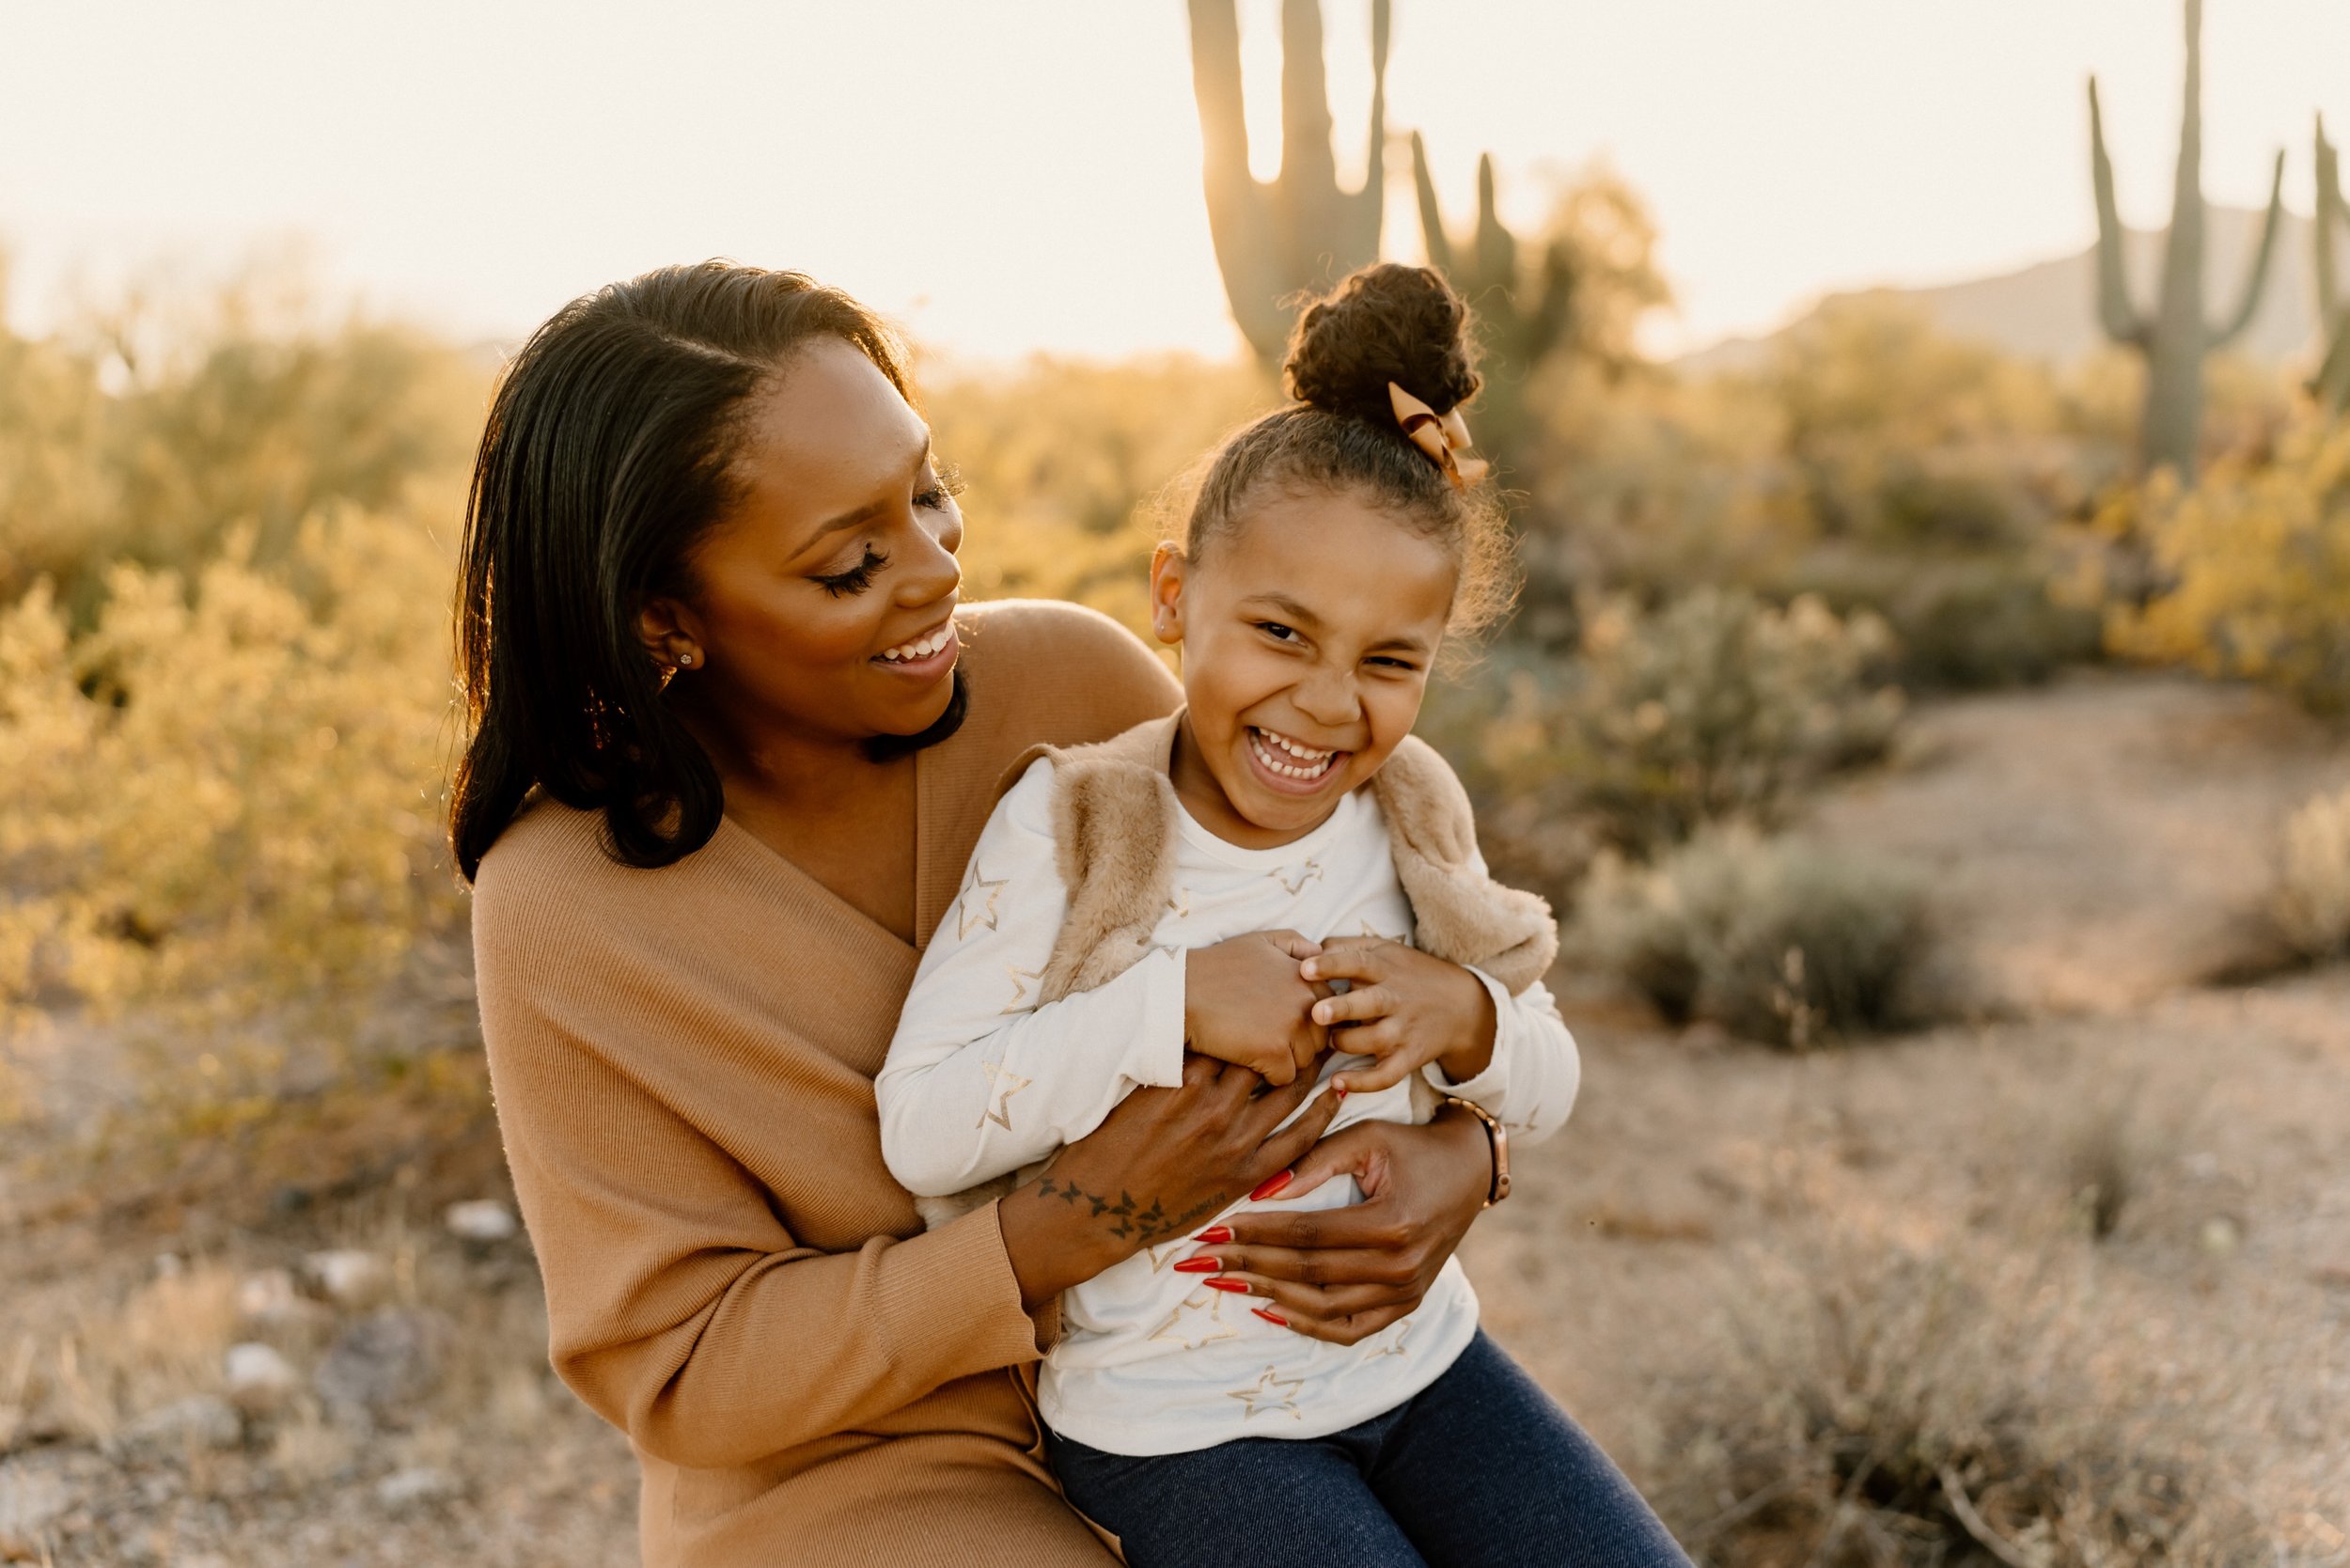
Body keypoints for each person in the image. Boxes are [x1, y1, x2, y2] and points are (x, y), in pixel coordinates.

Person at [453, 261, 1516, 1568]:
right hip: (862, 1482)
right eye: (853, 564)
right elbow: (686, 1367)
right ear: (665, 616)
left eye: (930, 495)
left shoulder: (1075, 682)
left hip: (1231, 1382)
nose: (937, 567)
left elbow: (1374, 929)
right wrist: (1053, 1237)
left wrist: (1466, 1155)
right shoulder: (567, 904)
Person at [874, 264, 1691, 1567]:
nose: (1324, 703)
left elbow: (1547, 1084)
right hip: (1177, 1426)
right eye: (1280, 632)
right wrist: (1171, 1002)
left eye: (1387, 662)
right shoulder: (1077, 827)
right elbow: (921, 1130)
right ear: (1173, 597)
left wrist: (1469, 1017)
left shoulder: (1413, 814)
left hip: (1423, 1369)